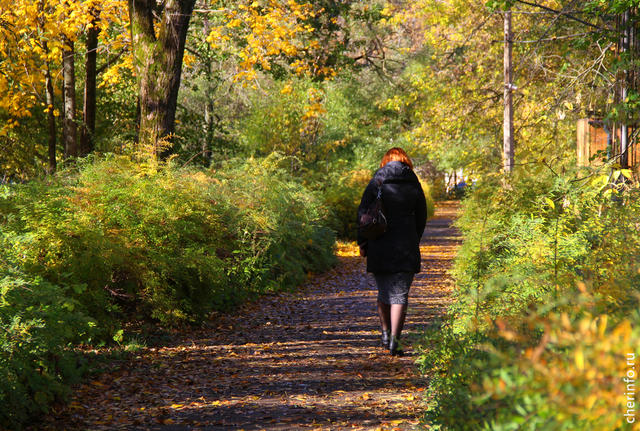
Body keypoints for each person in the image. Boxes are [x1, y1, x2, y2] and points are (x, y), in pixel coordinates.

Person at [357, 147, 428, 356]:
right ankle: (395, 341)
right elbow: (421, 216)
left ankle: (385, 333)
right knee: (400, 294)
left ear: (386, 161)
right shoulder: (413, 182)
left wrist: (362, 242)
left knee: (384, 292)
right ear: (406, 161)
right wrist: (414, 238)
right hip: (406, 245)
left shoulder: (377, 181)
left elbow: (362, 214)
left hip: (379, 243)